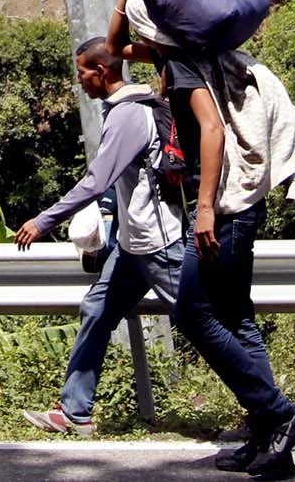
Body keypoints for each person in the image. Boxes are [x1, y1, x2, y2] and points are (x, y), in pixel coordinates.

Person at [106, 0, 295, 480]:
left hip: (223, 211)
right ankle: (269, 436)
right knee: (236, 318)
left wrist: (202, 210)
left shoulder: (184, 64)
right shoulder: (178, 55)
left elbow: (213, 131)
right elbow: (113, 53)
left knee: (193, 314)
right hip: (230, 208)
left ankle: (279, 414)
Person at [14, 37, 185, 436]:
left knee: (201, 321)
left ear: (102, 71)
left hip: (158, 241)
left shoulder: (129, 114)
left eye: (82, 74)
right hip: (132, 243)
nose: (81, 83)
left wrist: (44, 221)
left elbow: (96, 182)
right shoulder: (124, 110)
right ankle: (75, 411)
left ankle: (267, 410)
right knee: (97, 309)